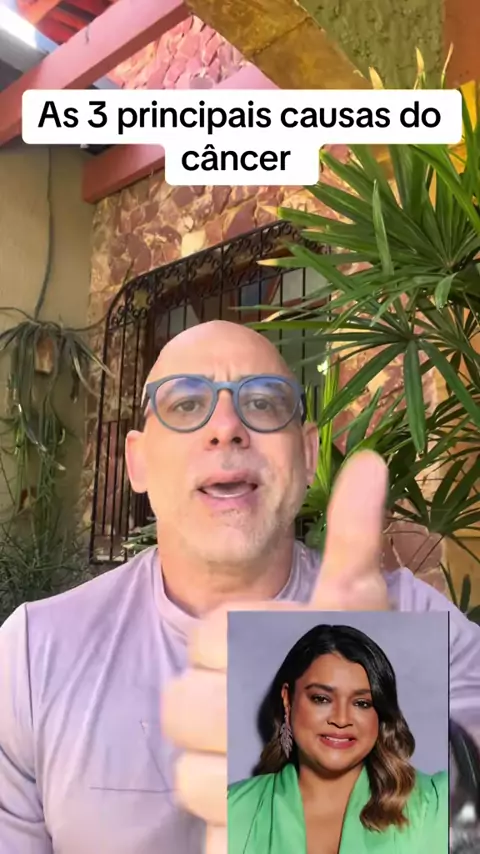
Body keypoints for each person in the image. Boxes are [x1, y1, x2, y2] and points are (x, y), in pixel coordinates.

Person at [0, 320, 478, 854]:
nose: (226, 427)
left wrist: (416, 802)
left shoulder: (415, 620)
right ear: (138, 461)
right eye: (186, 404)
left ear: (306, 454)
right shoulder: (31, 655)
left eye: (264, 403)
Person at [228, 624, 448, 854]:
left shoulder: (437, 803)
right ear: (287, 700)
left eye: (362, 703)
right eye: (321, 699)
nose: (341, 719)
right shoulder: (232, 809)